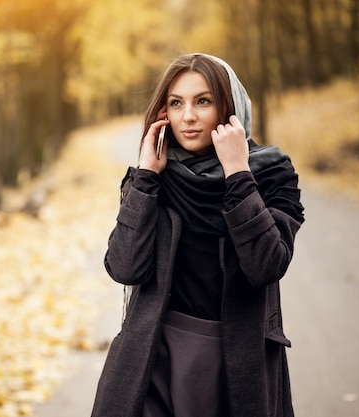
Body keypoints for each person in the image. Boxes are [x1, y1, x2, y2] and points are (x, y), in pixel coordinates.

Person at [90, 53, 305, 417]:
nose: (187, 116)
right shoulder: (151, 179)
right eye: (176, 103)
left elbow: (266, 264)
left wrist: (238, 172)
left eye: (202, 101)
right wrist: (146, 178)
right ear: (164, 113)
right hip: (152, 359)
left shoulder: (272, 175)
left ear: (229, 108)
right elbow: (125, 268)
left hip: (236, 365)